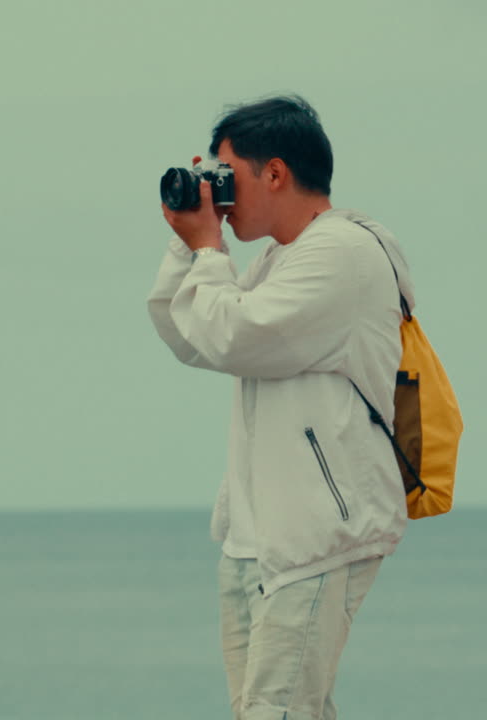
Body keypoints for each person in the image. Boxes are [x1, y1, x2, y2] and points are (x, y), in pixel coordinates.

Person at [146, 94, 416, 720]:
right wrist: (187, 246)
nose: (221, 196)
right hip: (255, 534)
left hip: (315, 533)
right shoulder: (278, 258)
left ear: (275, 173)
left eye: (227, 177)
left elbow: (236, 335)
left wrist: (210, 250)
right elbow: (190, 335)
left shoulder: (342, 251)